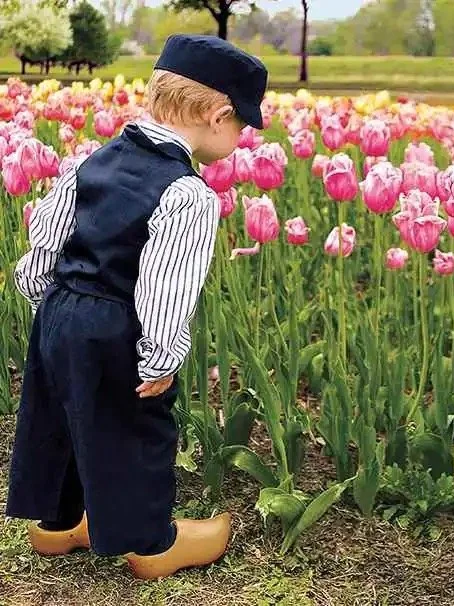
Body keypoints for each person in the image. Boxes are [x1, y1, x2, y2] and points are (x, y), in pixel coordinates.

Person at [6, 34, 268, 580]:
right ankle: (151, 544)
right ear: (218, 115)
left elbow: (45, 242)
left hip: (60, 310)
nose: (242, 137)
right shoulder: (188, 193)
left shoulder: (89, 161)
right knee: (134, 427)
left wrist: (51, 309)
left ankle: (56, 524)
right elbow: (164, 285)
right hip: (116, 324)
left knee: (59, 413)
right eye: (243, 125)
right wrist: (160, 358)